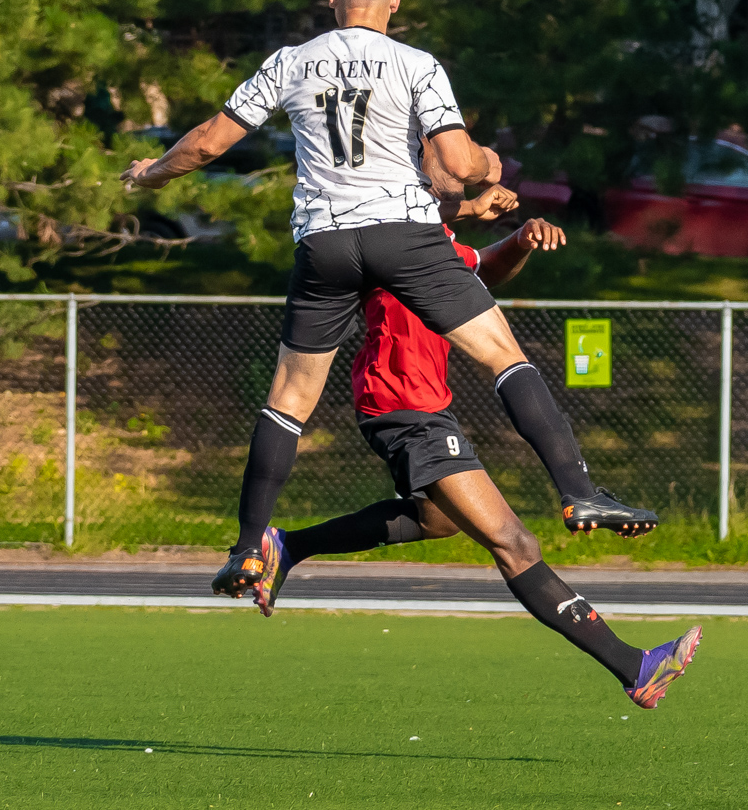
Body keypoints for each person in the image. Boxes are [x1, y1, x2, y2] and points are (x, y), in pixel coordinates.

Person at [119, 0, 655, 599]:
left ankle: (247, 548)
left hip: (324, 242)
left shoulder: (291, 62)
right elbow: (456, 162)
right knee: (502, 355)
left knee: (289, 398)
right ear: (394, 0)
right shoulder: (416, 65)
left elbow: (206, 142)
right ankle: (578, 492)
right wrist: (488, 166)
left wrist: (151, 172)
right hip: (403, 234)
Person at [251, 217, 695, 710]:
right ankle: (635, 668)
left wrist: (520, 240)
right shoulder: (385, 233)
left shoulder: (435, 248)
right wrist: (476, 194)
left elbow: (485, 266)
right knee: (515, 542)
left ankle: (287, 546)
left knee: (438, 519)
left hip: (420, 407)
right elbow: (444, 190)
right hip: (404, 406)